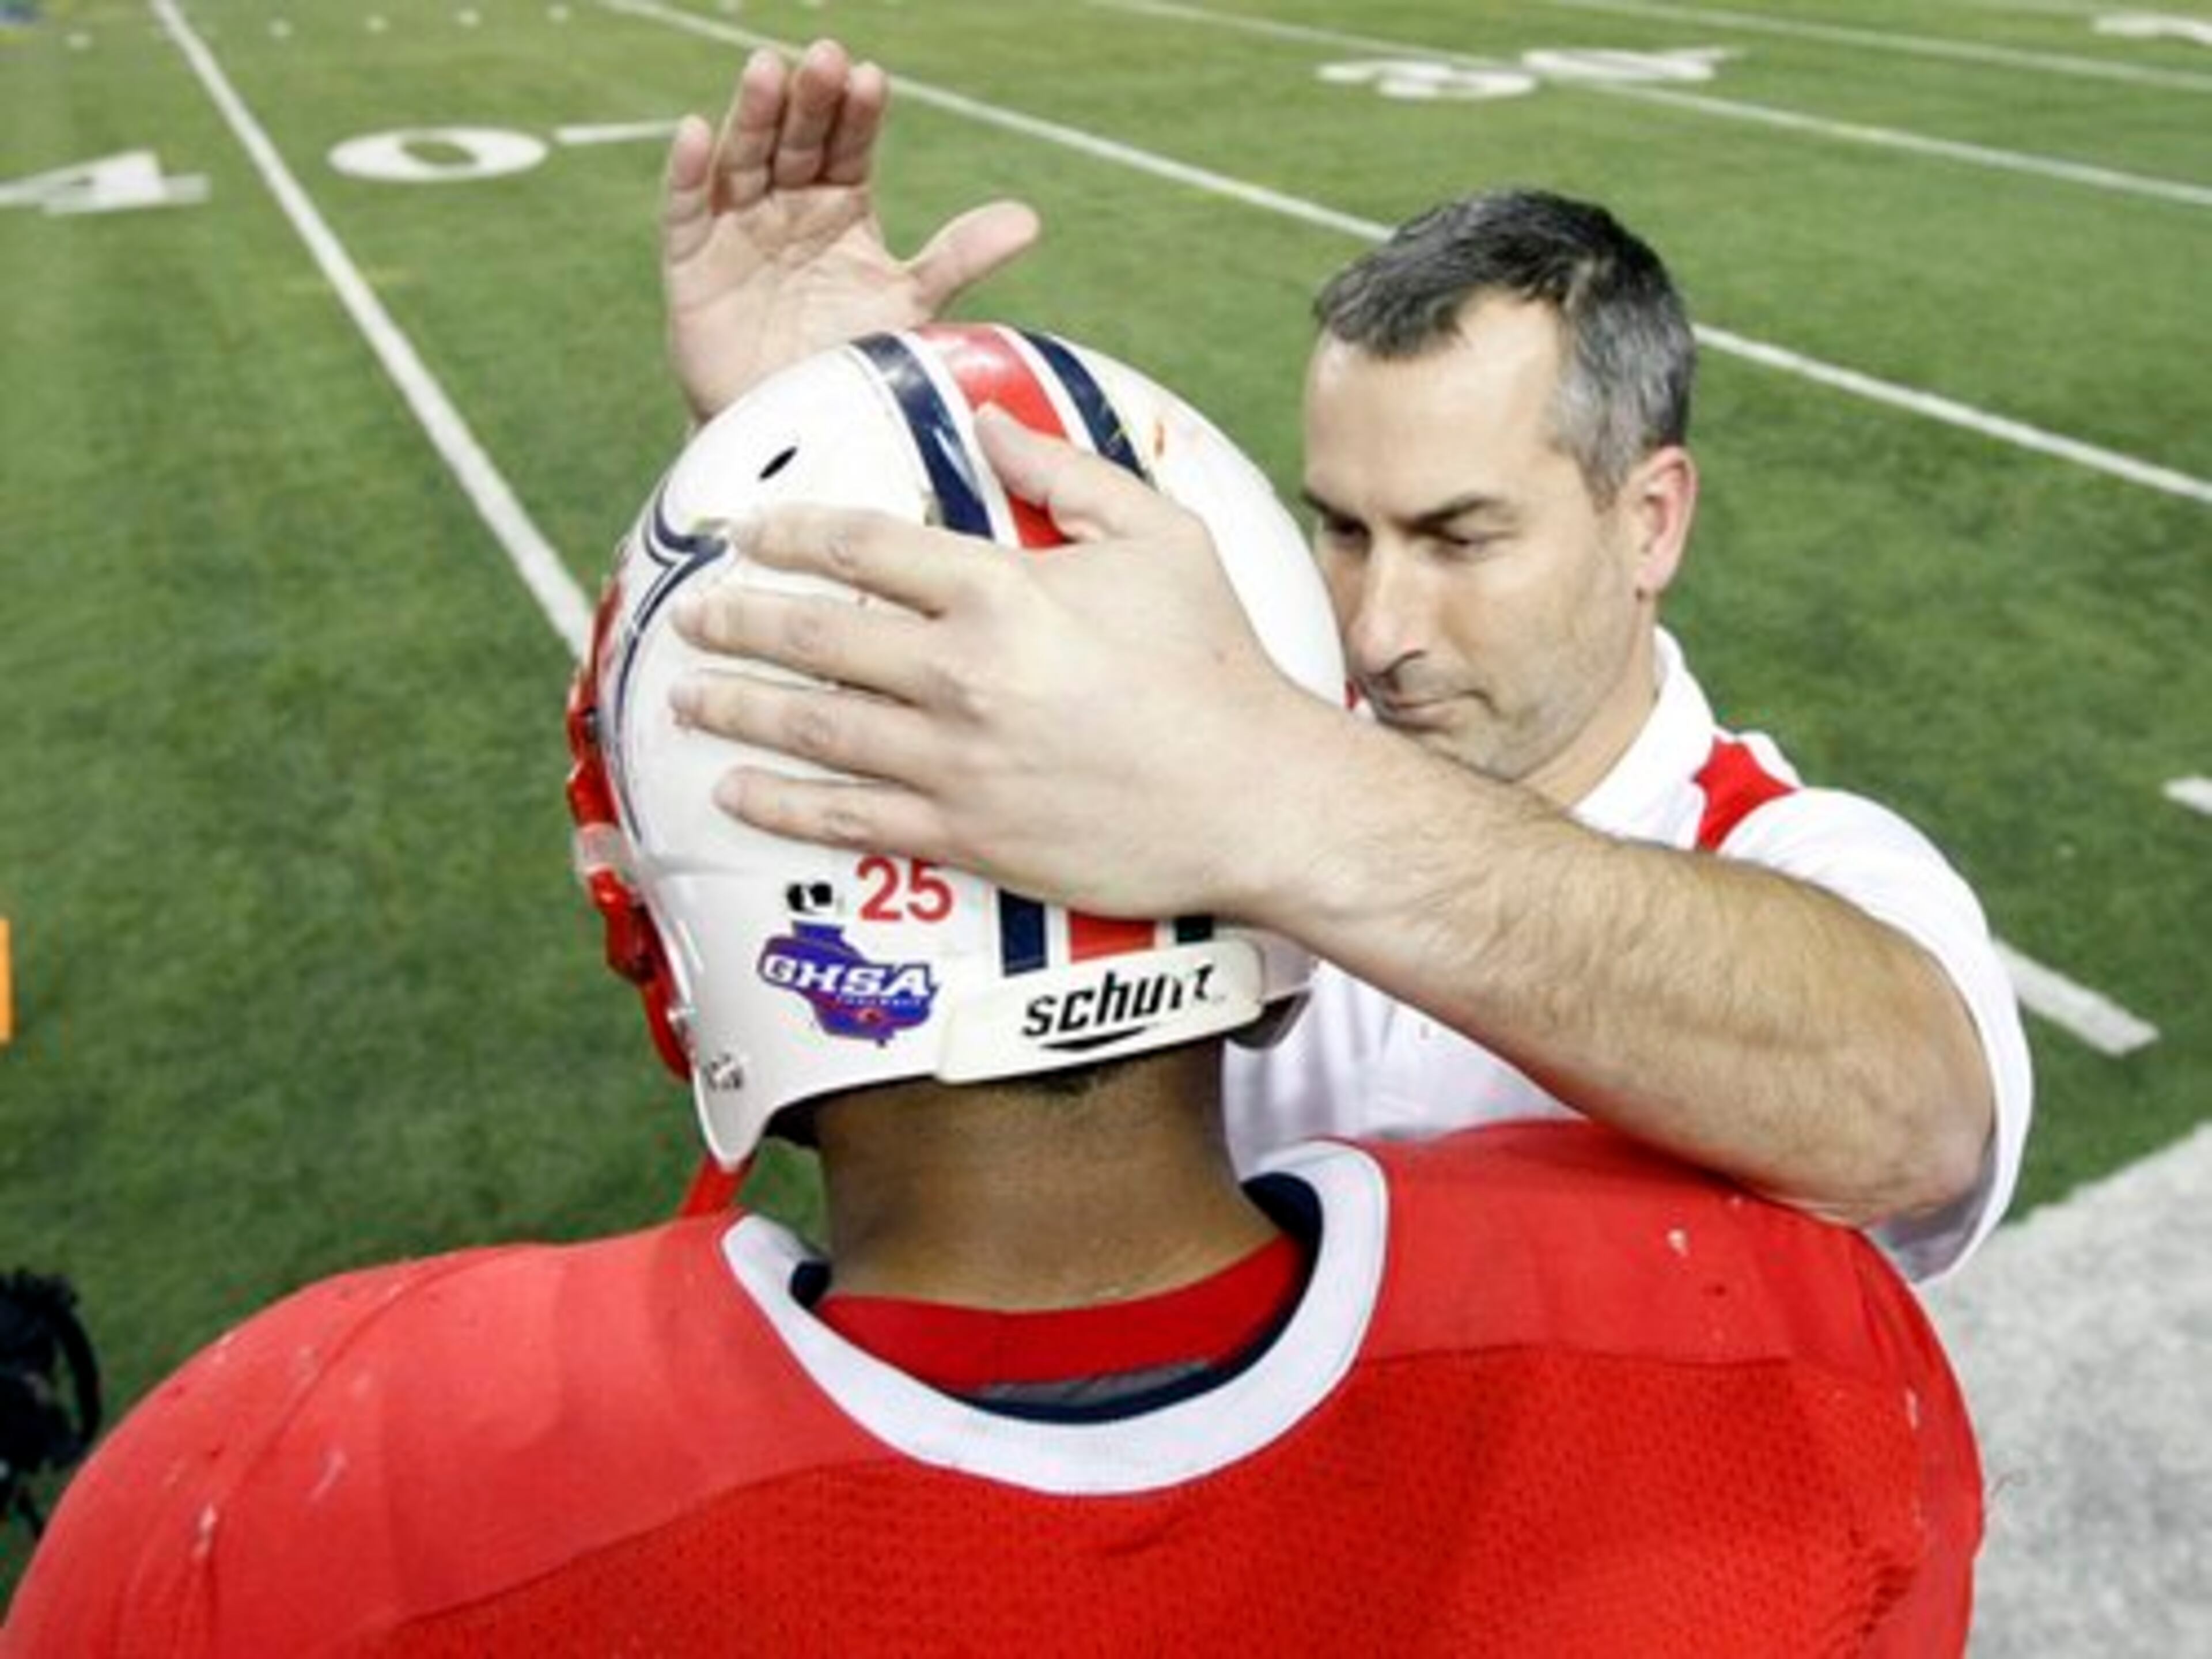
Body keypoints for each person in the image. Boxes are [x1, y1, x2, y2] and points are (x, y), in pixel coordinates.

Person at [0, 329, 1980, 1656]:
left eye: (1456, 531)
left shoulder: (273, 1501)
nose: (1388, 617)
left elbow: (1910, 1086)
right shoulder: (1770, 1344)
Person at [654, 41, 2032, 1282]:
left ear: (1650, 518)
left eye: (1461, 537)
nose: (1378, 631)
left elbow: (1916, 1115)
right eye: (1344, 530)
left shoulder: (1805, 859)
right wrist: (831, 436)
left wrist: (1278, 802)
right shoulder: (1221, 771)